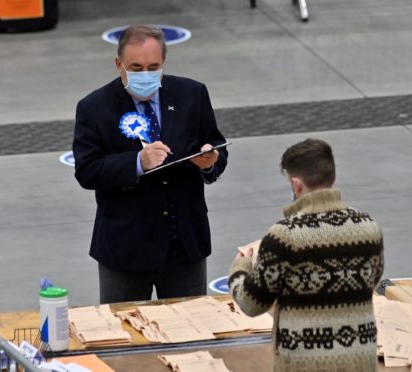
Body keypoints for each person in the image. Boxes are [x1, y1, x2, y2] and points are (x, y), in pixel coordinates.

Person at [73, 25, 228, 304]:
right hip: (125, 250)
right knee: (124, 337)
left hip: (184, 246)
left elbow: (215, 144)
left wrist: (209, 161)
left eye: (153, 66)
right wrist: (136, 162)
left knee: (190, 336)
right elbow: (87, 170)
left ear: (163, 63)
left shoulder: (193, 95)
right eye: (136, 67)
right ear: (119, 64)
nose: (145, 74)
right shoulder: (94, 107)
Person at [228, 138, 384, 372]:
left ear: (296, 184)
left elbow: (252, 304)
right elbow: (372, 281)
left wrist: (240, 268)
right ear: (332, 178)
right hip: (360, 361)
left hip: (303, 363)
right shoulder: (369, 227)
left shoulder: (283, 236)